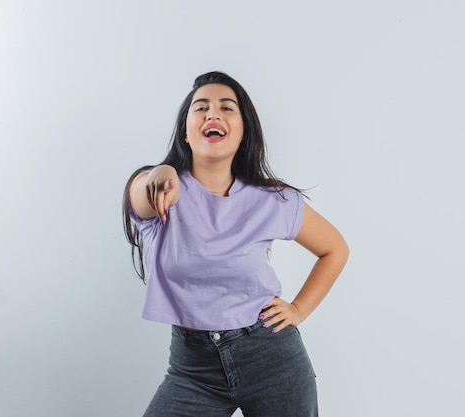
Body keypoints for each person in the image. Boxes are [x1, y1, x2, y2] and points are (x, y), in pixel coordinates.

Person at [122, 71, 349, 417]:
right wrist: (158, 174)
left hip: (273, 359)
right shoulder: (162, 195)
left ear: (243, 131)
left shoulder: (273, 200)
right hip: (192, 372)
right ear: (186, 129)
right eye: (201, 108)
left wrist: (298, 309)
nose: (213, 114)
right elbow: (141, 191)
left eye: (227, 108)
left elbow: (335, 249)